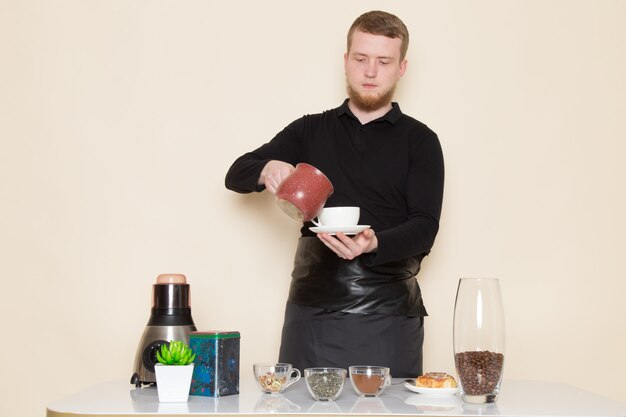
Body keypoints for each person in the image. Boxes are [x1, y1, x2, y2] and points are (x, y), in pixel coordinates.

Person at [224, 10, 444, 377]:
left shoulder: (420, 141)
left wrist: (373, 244)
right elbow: (236, 174)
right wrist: (267, 168)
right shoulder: (310, 130)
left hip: (388, 318)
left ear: (401, 68)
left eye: (383, 61)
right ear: (346, 61)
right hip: (310, 318)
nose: (370, 72)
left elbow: (425, 227)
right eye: (361, 59)